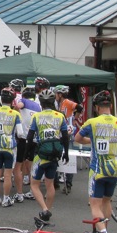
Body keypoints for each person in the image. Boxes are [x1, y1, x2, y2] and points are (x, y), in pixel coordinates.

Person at [74, 90, 117, 233]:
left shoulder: (92, 122)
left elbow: (77, 138)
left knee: (94, 204)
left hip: (98, 169)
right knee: (106, 201)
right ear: (111, 106)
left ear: (96, 108)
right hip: (114, 167)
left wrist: (91, 141)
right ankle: (104, 230)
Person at [27, 89, 70, 221]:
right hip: (55, 154)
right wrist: (66, 153)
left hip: (41, 154)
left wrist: (29, 153)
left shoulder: (36, 116)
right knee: (50, 184)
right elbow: (65, 137)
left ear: (40, 102)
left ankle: (44, 209)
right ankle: (47, 212)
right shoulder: (60, 116)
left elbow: (30, 137)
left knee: (34, 185)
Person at [54, 85, 82, 194]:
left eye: (56, 94)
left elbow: (80, 108)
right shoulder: (57, 104)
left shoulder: (68, 102)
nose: (56, 96)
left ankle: (68, 182)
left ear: (60, 94)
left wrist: (75, 119)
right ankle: (55, 181)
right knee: (56, 156)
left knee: (68, 156)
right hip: (59, 133)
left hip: (67, 133)